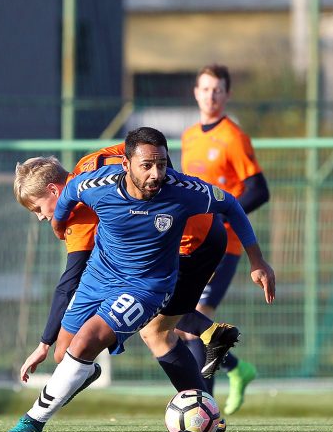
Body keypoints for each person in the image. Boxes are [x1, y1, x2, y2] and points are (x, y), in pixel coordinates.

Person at [5, 127, 275, 432]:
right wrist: (58, 221)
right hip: (101, 273)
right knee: (66, 350)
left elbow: (230, 204)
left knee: (123, 335)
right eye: (147, 165)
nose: (157, 173)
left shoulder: (182, 190)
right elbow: (70, 194)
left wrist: (258, 261)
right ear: (126, 164)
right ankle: (202, 355)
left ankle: (32, 422)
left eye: (162, 164)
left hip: (155, 277)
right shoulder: (94, 184)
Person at [12, 144, 242, 389]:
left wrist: (44, 343)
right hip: (202, 229)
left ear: (54, 190)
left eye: (37, 208)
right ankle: (210, 347)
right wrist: (165, 183)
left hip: (193, 243)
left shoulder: (82, 217)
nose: (39, 216)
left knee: (155, 330)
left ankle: (204, 400)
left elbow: (69, 283)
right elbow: (145, 143)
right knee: (151, 324)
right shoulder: (90, 163)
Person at [181, 63, 270, 414]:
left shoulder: (233, 137)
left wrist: (221, 213)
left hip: (224, 244)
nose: (211, 96)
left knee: (197, 318)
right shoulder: (189, 136)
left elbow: (259, 190)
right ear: (196, 92)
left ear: (227, 95)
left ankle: (204, 411)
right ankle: (235, 370)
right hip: (193, 243)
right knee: (183, 326)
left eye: (218, 90)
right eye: (205, 89)